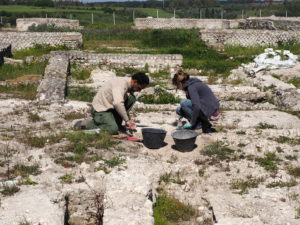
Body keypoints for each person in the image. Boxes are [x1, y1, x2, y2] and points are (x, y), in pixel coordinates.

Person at [74, 72, 149, 134]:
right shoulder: (121, 84)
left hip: (110, 108)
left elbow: (121, 103)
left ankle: (116, 124)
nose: (139, 91)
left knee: (131, 98)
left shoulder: (127, 85)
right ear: (134, 82)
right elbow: (118, 103)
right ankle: (88, 124)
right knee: (112, 129)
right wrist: (127, 120)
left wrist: (129, 119)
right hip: (101, 109)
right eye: (139, 88)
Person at [172, 69, 220, 133]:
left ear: (180, 83)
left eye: (177, 86)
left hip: (210, 110)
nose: (177, 88)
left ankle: (198, 125)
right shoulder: (190, 84)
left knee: (183, 103)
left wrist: (192, 123)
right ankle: (200, 123)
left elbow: (196, 106)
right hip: (204, 107)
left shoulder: (191, 87)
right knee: (179, 110)